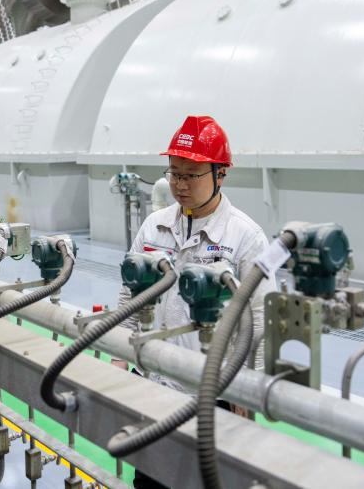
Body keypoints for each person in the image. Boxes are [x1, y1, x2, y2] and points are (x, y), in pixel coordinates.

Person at [113, 116, 276, 488]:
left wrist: (245, 389)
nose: (180, 185)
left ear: (220, 174)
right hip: (151, 380)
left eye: (191, 175)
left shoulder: (245, 237)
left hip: (212, 391)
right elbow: (129, 294)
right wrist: (117, 354)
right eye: (174, 173)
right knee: (150, 479)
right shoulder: (153, 226)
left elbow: (259, 317)